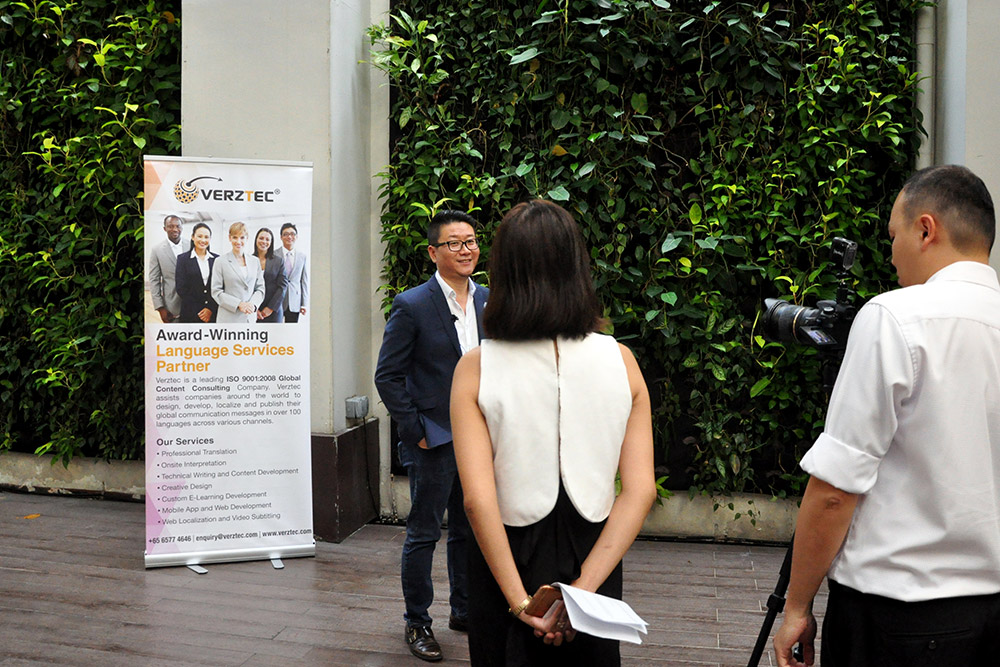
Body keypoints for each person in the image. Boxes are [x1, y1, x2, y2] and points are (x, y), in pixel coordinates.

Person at [773, 165, 1000, 667]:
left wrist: (796, 606)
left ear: (926, 229)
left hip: (898, 616)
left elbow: (835, 490)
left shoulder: (895, 316)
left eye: (894, 236)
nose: (892, 253)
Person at [450, 200, 657, 666]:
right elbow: (641, 490)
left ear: (505, 273)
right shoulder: (622, 361)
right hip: (596, 558)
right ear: (577, 269)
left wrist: (521, 603)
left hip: (505, 562)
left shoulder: (476, 368)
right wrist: (582, 592)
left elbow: (477, 500)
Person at [374, 210, 489, 662]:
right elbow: (388, 376)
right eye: (454, 243)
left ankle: (464, 610)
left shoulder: (488, 301)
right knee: (423, 533)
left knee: (468, 528)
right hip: (433, 439)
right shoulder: (412, 304)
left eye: (471, 241)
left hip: (480, 438)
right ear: (433, 252)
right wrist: (416, 430)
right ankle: (417, 621)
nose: (466, 250)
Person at [211, 222, 265, 324]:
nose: (238, 241)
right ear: (229, 238)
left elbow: (260, 288)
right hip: (228, 319)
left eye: (242, 237)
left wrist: (253, 304)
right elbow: (216, 291)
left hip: (249, 318)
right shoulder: (220, 261)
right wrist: (238, 304)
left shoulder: (255, 261)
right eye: (235, 237)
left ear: (247, 238)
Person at [174, 222, 219, 323]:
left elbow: (220, 287)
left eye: (206, 237)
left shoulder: (217, 259)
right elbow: (181, 288)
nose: (203, 240)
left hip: (213, 314)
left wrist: (210, 308)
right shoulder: (182, 259)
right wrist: (200, 310)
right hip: (191, 313)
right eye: (199, 236)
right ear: (193, 237)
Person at [148, 214, 190, 322]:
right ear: (165, 228)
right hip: (171, 308)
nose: (175, 229)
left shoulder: (192, 246)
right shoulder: (157, 250)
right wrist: (160, 308)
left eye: (178, 226)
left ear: (181, 228)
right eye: (170, 226)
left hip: (193, 304)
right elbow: (154, 280)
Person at [275, 222, 309, 322]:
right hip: (277, 301)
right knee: (276, 329)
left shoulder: (302, 257)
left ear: (296, 236)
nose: (289, 237)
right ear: (281, 237)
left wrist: (304, 304)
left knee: (292, 329)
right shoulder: (274, 255)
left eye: (292, 234)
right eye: (285, 234)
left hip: (295, 301)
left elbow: (304, 281)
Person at [252, 227, 286, 323]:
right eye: (261, 238)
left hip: (274, 311)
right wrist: (254, 308)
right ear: (256, 239)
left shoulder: (278, 261)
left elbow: (283, 286)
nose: (264, 241)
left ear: (271, 242)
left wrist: (271, 308)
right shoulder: (248, 260)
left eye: (267, 239)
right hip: (253, 310)